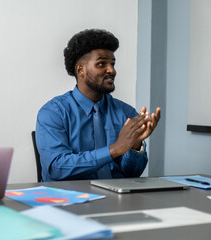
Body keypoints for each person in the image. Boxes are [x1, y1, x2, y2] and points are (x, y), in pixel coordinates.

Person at [36, 29, 161, 182]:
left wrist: (135, 145)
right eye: (101, 64)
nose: (112, 70)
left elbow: (132, 174)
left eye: (112, 64)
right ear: (80, 70)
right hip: (67, 200)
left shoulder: (126, 113)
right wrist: (114, 150)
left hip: (116, 200)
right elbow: (57, 168)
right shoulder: (53, 113)